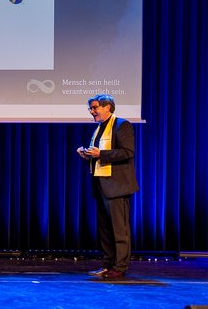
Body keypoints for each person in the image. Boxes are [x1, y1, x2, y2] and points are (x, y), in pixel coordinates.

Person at [76, 94, 139, 280]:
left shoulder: (122, 125)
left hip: (117, 186)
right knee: (105, 230)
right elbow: (99, 156)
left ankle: (119, 267)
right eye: (90, 108)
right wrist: (87, 156)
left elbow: (127, 152)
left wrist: (101, 154)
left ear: (107, 107)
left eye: (95, 108)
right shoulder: (99, 128)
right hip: (102, 185)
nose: (92, 111)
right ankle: (107, 265)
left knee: (120, 230)